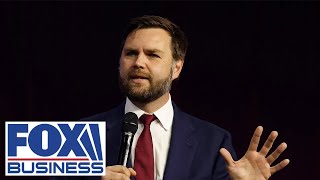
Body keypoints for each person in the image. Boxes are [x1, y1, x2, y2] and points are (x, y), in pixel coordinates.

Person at [55, 15, 290, 180]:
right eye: (131, 53)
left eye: (153, 55)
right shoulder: (80, 137)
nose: (138, 62)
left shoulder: (213, 142)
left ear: (176, 68)